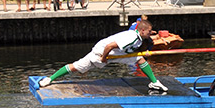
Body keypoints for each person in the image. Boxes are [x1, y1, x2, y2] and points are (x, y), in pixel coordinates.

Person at [38, 20, 168, 92]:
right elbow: (109, 46)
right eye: (149, 31)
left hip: (116, 54)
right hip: (101, 52)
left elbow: (131, 49)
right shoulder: (132, 37)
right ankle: (50, 79)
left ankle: (155, 82)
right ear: (143, 30)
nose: (151, 33)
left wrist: (145, 52)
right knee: (77, 67)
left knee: (139, 59)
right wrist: (104, 58)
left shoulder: (139, 38)